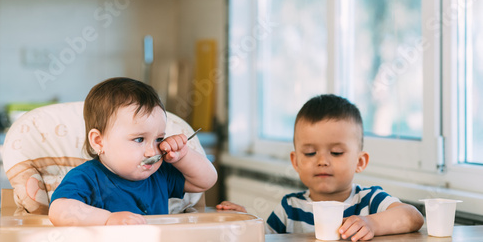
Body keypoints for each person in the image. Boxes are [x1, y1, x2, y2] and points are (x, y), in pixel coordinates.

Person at [217, 94, 424, 241]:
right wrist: (244, 221)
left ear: (360, 162)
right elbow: (262, 238)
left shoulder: (370, 201)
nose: (322, 161)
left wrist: (372, 224)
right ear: (296, 161)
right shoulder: (290, 209)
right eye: (309, 153)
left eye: (336, 153)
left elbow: (413, 217)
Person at [49, 77, 217, 226]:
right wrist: (107, 219)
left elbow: (205, 181)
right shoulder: (87, 177)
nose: (152, 151)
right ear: (99, 141)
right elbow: (59, 211)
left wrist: (182, 156)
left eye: (159, 139)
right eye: (139, 139)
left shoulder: (160, 174)